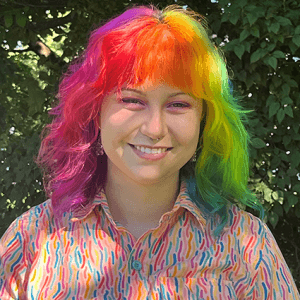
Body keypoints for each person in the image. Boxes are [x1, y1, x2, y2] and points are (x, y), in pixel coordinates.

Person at [0, 4, 299, 299]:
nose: (154, 129)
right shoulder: (30, 240)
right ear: (94, 113)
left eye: (179, 104)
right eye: (132, 100)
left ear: (203, 122)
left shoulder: (247, 245)